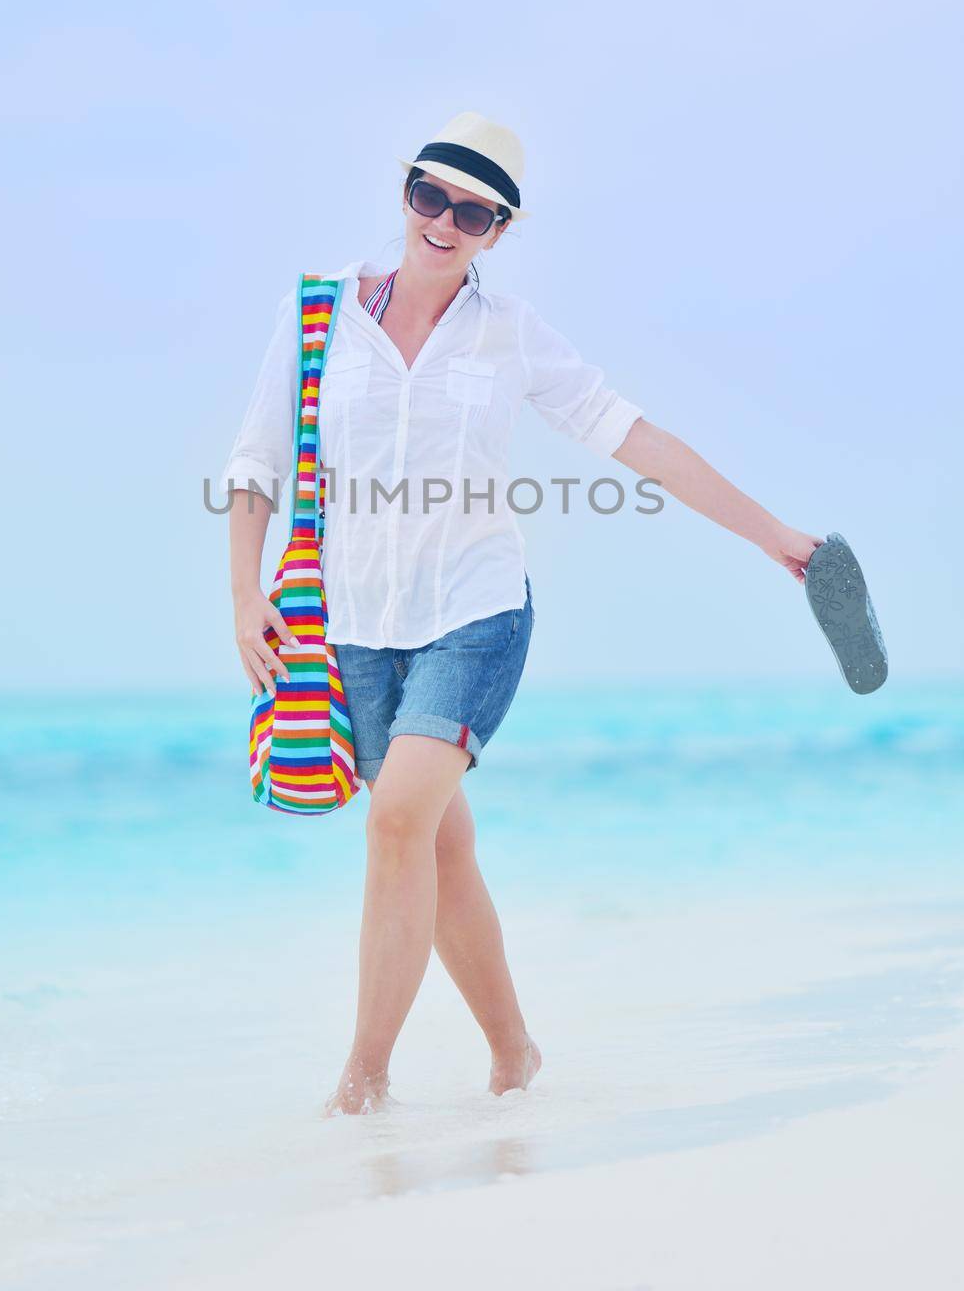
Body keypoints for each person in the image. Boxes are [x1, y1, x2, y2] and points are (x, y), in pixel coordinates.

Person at [222, 111, 822, 1117]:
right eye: (432, 197)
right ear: (405, 190)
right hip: (354, 626)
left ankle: (362, 1081)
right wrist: (243, 594)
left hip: (476, 612)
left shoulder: (510, 335)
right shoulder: (318, 315)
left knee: (399, 819)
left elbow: (634, 437)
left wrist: (772, 535)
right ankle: (514, 1054)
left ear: (501, 227)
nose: (446, 223)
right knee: (438, 850)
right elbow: (254, 462)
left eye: (475, 211)